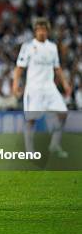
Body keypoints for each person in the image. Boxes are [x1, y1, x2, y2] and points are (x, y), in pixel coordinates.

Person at [12, 17, 71, 158]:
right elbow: (19, 68)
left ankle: (54, 145)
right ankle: (29, 151)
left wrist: (65, 83)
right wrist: (15, 84)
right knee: (31, 120)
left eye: (44, 29)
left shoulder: (52, 47)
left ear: (48, 31)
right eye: (39, 29)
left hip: (50, 87)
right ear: (35, 31)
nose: (42, 32)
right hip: (34, 88)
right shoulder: (27, 47)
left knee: (63, 113)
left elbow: (57, 68)